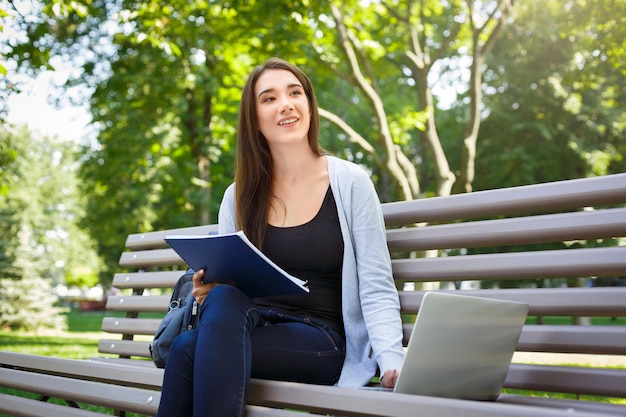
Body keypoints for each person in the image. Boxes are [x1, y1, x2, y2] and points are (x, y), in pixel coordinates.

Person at [157, 57, 405, 417]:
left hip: (320, 339)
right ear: (254, 120)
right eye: (269, 98)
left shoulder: (350, 183)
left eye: (295, 93)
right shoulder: (238, 194)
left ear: (308, 105)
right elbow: (226, 285)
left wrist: (390, 356)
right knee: (219, 301)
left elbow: (376, 283)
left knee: (187, 350)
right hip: (249, 324)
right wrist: (209, 288)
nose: (286, 103)